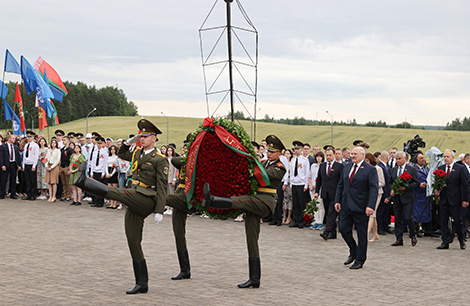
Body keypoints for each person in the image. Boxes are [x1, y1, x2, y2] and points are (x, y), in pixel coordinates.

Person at [74, 119, 168, 294]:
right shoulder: (138, 153)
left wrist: (159, 210)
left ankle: (85, 182)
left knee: (119, 193)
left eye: (146, 136)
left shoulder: (160, 159)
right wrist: (129, 142)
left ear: (154, 138)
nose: (142, 139)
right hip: (134, 197)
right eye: (141, 136)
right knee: (133, 241)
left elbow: (163, 186)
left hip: (147, 198)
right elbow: (122, 153)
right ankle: (142, 283)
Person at [203, 134, 286, 288]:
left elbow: (263, 174)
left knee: (243, 200)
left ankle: (213, 201)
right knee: (251, 239)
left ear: (279, 154)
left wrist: (252, 162)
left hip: (266, 201)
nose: (269, 153)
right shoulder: (262, 162)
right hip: (256, 201)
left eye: (272, 152)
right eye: (268, 150)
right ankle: (254, 279)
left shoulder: (280, 167)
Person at [334, 147, 378, 269]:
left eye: (355, 154)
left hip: (361, 207)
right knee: (343, 229)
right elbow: (341, 184)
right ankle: (354, 250)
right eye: (352, 154)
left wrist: (370, 205)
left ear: (362, 155)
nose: (352, 156)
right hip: (346, 205)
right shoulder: (347, 166)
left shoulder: (370, 170)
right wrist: (337, 200)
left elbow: (373, 189)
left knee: (362, 234)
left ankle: (360, 259)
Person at [434, 149, 469, 250]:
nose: (446, 159)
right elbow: (438, 183)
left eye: (448, 157)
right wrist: (437, 190)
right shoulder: (440, 168)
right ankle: (445, 242)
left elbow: (465, 185)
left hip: (456, 199)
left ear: (453, 158)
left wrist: (465, 200)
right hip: (444, 199)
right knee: (443, 221)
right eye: (444, 157)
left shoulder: (460, 168)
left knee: (458, 221)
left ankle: (461, 241)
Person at [386, 151, 420, 246]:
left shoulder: (411, 169)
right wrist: (392, 188)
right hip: (397, 197)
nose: (398, 161)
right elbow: (389, 182)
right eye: (396, 159)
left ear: (405, 159)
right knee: (397, 218)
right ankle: (399, 239)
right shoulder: (393, 170)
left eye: (400, 159)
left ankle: (413, 234)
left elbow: (416, 182)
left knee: (408, 217)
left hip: (408, 197)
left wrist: (406, 187)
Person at [315, 148, 344, 239]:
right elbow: (319, 180)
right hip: (325, 193)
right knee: (328, 212)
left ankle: (326, 232)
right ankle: (333, 233)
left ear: (334, 155)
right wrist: (317, 191)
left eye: (330, 155)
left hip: (335, 194)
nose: (328, 157)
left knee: (331, 214)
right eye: (327, 155)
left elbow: (341, 181)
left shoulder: (339, 166)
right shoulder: (322, 166)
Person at [288, 140, 310, 228]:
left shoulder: (304, 160)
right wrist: (291, 184)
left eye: (297, 149)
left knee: (301, 204)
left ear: (301, 150)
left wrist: (306, 185)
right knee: (295, 203)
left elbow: (307, 173)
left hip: (301, 183)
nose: (296, 150)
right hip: (294, 183)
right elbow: (291, 173)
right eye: (294, 149)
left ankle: (302, 221)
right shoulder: (293, 160)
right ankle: (296, 221)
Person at [364, 153, 385, 242]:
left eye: (367, 161)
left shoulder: (378, 169)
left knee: (372, 213)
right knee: (373, 214)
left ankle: (366, 234)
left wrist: (373, 185)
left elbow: (382, 182)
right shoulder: (365, 169)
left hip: (377, 193)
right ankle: (375, 234)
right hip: (368, 193)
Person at [412, 153, 432, 235]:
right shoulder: (413, 169)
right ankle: (415, 230)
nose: (423, 159)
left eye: (423, 158)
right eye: (420, 158)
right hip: (417, 194)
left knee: (427, 212)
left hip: (426, 194)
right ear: (416, 159)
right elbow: (409, 181)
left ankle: (427, 229)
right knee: (416, 212)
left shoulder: (427, 169)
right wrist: (418, 184)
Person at [0, 135, 21, 199]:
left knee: (13, 179)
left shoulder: (16, 147)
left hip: (13, 164)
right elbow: (1, 157)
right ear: (9, 139)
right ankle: (2, 193)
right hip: (6, 164)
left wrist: (19, 165)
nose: (14, 139)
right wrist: (2, 165)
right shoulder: (3, 147)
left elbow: (18, 157)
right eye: (13, 138)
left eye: (15, 138)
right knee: (4, 180)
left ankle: (13, 193)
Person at [376, 151, 392, 235]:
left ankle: (386, 226)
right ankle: (380, 228)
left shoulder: (387, 166)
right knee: (381, 211)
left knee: (387, 211)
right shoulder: (380, 167)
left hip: (388, 192)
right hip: (382, 192)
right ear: (387, 157)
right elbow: (384, 182)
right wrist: (386, 195)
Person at [21, 131, 40, 201]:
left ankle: (33, 195)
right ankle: (28, 194)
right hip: (26, 164)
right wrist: (23, 165)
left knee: (33, 181)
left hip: (32, 164)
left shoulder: (35, 146)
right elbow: (24, 156)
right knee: (27, 180)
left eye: (30, 137)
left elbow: (36, 156)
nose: (28, 138)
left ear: (33, 137)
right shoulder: (26, 145)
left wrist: (34, 166)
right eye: (28, 137)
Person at [90, 137, 108, 207]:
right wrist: (91, 172)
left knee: (100, 188)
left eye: (100, 143)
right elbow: (92, 163)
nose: (99, 145)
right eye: (98, 143)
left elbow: (105, 163)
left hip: (100, 171)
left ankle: (100, 202)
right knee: (95, 187)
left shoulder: (104, 152)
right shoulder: (94, 152)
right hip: (95, 171)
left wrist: (103, 173)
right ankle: (95, 201)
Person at [309, 151, 325, 229]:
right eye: (317, 156)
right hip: (312, 188)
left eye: (320, 156)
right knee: (314, 205)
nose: (318, 158)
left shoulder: (323, 166)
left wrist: (316, 185)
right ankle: (316, 220)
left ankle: (320, 222)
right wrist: (310, 185)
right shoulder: (313, 166)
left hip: (320, 189)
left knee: (320, 205)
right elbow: (309, 176)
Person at [59, 136, 74, 201]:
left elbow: (71, 160)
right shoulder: (62, 149)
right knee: (64, 182)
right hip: (62, 166)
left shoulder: (70, 150)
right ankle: (65, 195)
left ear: (68, 140)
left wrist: (70, 168)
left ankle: (69, 195)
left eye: (64, 140)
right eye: (62, 140)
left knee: (68, 182)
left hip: (67, 166)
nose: (63, 141)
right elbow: (60, 159)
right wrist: (59, 168)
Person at [282, 149, 293, 225]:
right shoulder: (282, 162)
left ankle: (289, 217)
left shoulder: (292, 163)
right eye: (285, 153)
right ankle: (284, 216)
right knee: (284, 199)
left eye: (288, 153)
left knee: (290, 199)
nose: (287, 155)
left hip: (290, 181)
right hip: (284, 181)